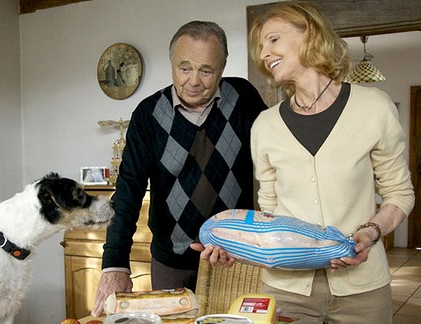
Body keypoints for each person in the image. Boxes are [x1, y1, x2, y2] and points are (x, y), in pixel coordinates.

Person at [199, 2, 414, 323]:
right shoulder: (265, 126)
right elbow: (268, 220)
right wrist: (237, 248)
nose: (264, 54)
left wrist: (372, 230)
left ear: (310, 34)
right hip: (287, 292)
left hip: (362, 290)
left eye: (273, 39)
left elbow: (399, 193)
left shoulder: (374, 108)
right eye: (260, 46)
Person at [91, 20, 267, 317]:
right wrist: (114, 264)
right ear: (171, 62)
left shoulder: (245, 99)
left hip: (235, 258)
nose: (194, 81)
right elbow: (128, 191)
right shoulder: (148, 115)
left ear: (223, 67)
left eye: (206, 70)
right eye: (184, 68)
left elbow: (276, 161)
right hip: (171, 262)